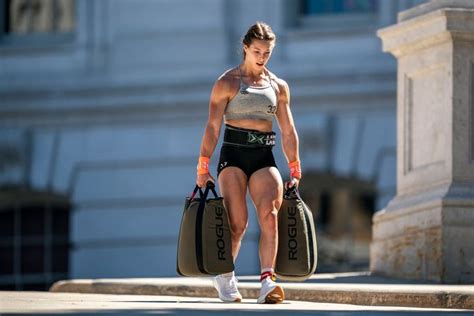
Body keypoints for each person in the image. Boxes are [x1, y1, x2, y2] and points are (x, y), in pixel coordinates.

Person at [195, 22, 302, 304]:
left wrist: (294, 166)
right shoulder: (227, 82)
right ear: (245, 47)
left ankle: (268, 281)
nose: (262, 57)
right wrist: (202, 166)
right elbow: (212, 128)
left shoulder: (278, 86)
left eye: (267, 52)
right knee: (238, 223)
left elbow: (288, 130)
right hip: (233, 156)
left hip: (264, 155)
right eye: (257, 51)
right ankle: (225, 275)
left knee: (270, 214)